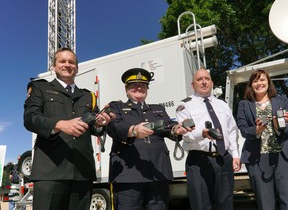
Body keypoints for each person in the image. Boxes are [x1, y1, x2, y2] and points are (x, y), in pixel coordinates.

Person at [23, 47, 114, 210]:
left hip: (82, 172)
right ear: (54, 66)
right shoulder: (40, 89)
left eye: (71, 62)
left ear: (77, 68)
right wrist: (59, 125)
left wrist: (100, 124)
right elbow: (30, 119)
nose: (67, 65)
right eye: (62, 61)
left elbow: (94, 128)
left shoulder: (88, 96)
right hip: (50, 171)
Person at [106, 68, 192, 210]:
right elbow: (113, 127)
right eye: (134, 85)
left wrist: (178, 130)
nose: (139, 87)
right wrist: (133, 130)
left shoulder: (157, 109)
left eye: (143, 85)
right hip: (129, 176)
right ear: (126, 89)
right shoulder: (117, 107)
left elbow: (169, 128)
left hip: (158, 173)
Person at [176, 68, 241, 210]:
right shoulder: (184, 105)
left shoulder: (222, 105)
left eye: (207, 79)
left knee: (226, 203)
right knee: (201, 205)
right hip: (199, 161)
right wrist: (203, 134)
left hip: (224, 159)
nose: (204, 82)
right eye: (199, 79)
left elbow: (231, 131)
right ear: (193, 85)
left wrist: (235, 154)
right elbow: (185, 135)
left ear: (212, 83)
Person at [237, 69, 288, 210]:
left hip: (282, 157)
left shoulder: (282, 100)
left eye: (262, 79)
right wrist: (256, 130)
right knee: (266, 205)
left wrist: (279, 126)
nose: (259, 83)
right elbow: (243, 129)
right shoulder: (244, 104)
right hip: (257, 159)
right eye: (255, 80)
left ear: (268, 82)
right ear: (251, 85)